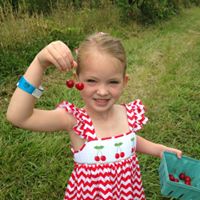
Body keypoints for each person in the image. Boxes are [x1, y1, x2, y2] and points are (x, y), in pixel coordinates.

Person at [7, 32, 182, 200]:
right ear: (77, 79)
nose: (103, 91)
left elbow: (129, 141)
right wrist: (39, 63)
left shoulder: (125, 113)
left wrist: (159, 150)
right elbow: (19, 117)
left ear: (124, 82)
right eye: (92, 80)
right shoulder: (74, 120)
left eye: (113, 82)